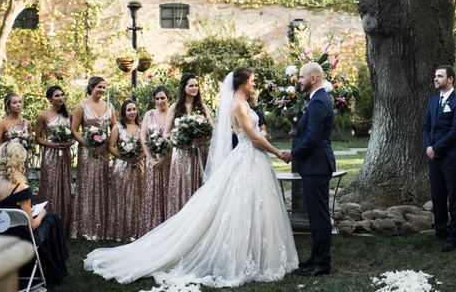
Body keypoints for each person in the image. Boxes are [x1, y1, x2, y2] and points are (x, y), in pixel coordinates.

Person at [84, 67, 298, 288]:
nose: (254, 83)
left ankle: (255, 253)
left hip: (249, 159)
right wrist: (277, 151)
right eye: (252, 80)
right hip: (242, 155)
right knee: (238, 205)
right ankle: (241, 254)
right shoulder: (237, 104)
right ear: (242, 82)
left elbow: (234, 132)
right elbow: (251, 136)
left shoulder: (239, 103)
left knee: (253, 204)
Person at [0, 142, 68, 287]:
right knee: (52, 218)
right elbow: (32, 226)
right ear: (20, 162)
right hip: (19, 241)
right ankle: (50, 269)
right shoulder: (21, 188)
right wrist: (42, 214)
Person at [283, 62, 335, 276]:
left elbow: (312, 138)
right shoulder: (317, 100)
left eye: (302, 77)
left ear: (313, 78)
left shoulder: (319, 102)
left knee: (319, 217)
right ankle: (316, 258)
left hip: (317, 165)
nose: (299, 81)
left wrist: (293, 154)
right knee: (315, 215)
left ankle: (322, 264)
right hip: (314, 165)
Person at [422, 65, 456, 252]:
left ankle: (454, 236)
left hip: (452, 158)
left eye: (439, 76)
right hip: (434, 158)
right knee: (438, 196)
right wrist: (428, 147)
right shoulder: (433, 102)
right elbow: (426, 126)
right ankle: (440, 230)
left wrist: (436, 148)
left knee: (454, 197)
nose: (435, 78)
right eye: (435, 75)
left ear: (450, 79)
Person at [69, 76, 116, 240]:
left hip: (103, 152)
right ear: (91, 87)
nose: (102, 90)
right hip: (87, 151)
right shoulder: (81, 106)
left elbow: (114, 129)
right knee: (87, 184)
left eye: (104, 87)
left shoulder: (110, 107)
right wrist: (87, 143)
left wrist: (110, 145)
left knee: (101, 184)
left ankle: (101, 227)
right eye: (99, 87)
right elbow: (74, 130)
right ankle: (84, 226)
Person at [163, 73, 212, 219]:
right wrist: (178, 141)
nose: (194, 88)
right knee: (181, 187)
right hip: (181, 154)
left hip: (199, 153)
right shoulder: (175, 108)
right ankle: (180, 221)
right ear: (184, 88)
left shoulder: (203, 107)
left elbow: (211, 130)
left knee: (199, 187)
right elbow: (166, 134)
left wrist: (201, 139)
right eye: (191, 85)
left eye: (196, 85)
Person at [35, 86, 73, 234]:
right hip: (50, 154)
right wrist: (53, 144)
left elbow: (73, 135)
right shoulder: (43, 116)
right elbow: (37, 138)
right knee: (49, 184)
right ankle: (45, 222)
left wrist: (69, 143)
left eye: (62, 95)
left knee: (64, 184)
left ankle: (63, 223)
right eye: (57, 95)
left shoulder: (69, 116)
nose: (60, 97)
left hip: (65, 154)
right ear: (50, 99)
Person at [107, 100, 144, 242]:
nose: (132, 112)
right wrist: (124, 157)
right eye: (129, 110)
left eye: (134, 109)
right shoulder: (118, 127)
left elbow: (146, 146)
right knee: (122, 197)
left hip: (139, 166)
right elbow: (111, 146)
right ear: (124, 112)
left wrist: (139, 157)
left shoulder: (142, 127)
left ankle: (138, 229)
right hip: (121, 167)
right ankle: (121, 230)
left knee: (138, 196)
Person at [139, 85, 172, 234]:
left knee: (169, 191)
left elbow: (176, 138)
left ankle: (168, 226)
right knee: (152, 192)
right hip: (151, 160)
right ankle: (152, 227)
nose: (160, 101)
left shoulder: (173, 113)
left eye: (162, 98)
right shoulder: (149, 114)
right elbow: (143, 136)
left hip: (169, 160)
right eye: (157, 98)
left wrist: (165, 158)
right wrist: (150, 158)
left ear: (168, 98)